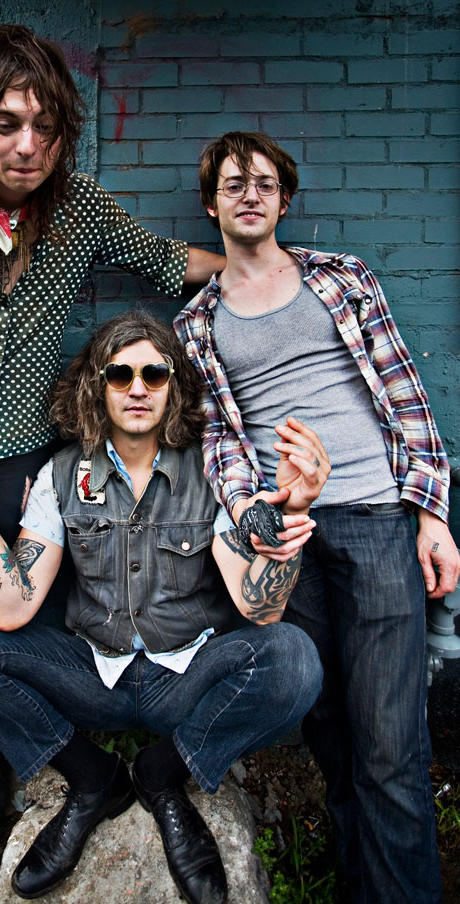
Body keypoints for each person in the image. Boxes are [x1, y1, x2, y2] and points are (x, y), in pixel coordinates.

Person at [0, 25, 225, 847]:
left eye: (45, 127)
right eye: (8, 124)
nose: (27, 146)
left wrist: (259, 264)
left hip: (23, 440)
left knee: (11, 610)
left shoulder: (79, 209)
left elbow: (165, 261)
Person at [0, 311, 325, 901]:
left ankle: (163, 775)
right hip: (93, 675)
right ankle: (93, 779)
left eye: (154, 374)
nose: (138, 388)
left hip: (185, 677)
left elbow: (258, 609)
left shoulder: (209, 474)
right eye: (121, 374)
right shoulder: (63, 475)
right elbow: (10, 609)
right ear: (98, 385)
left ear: (173, 386)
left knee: (294, 658)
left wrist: (295, 511)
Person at [173, 130, 460, 904]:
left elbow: (405, 394)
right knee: (331, 734)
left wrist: (431, 515)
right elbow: (220, 443)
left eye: (264, 183)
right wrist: (253, 515)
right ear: (210, 205)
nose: (250, 194)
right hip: (290, 535)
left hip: (374, 518)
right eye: (233, 184)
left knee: (391, 749)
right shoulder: (196, 325)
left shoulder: (342, 279)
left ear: (285, 200)